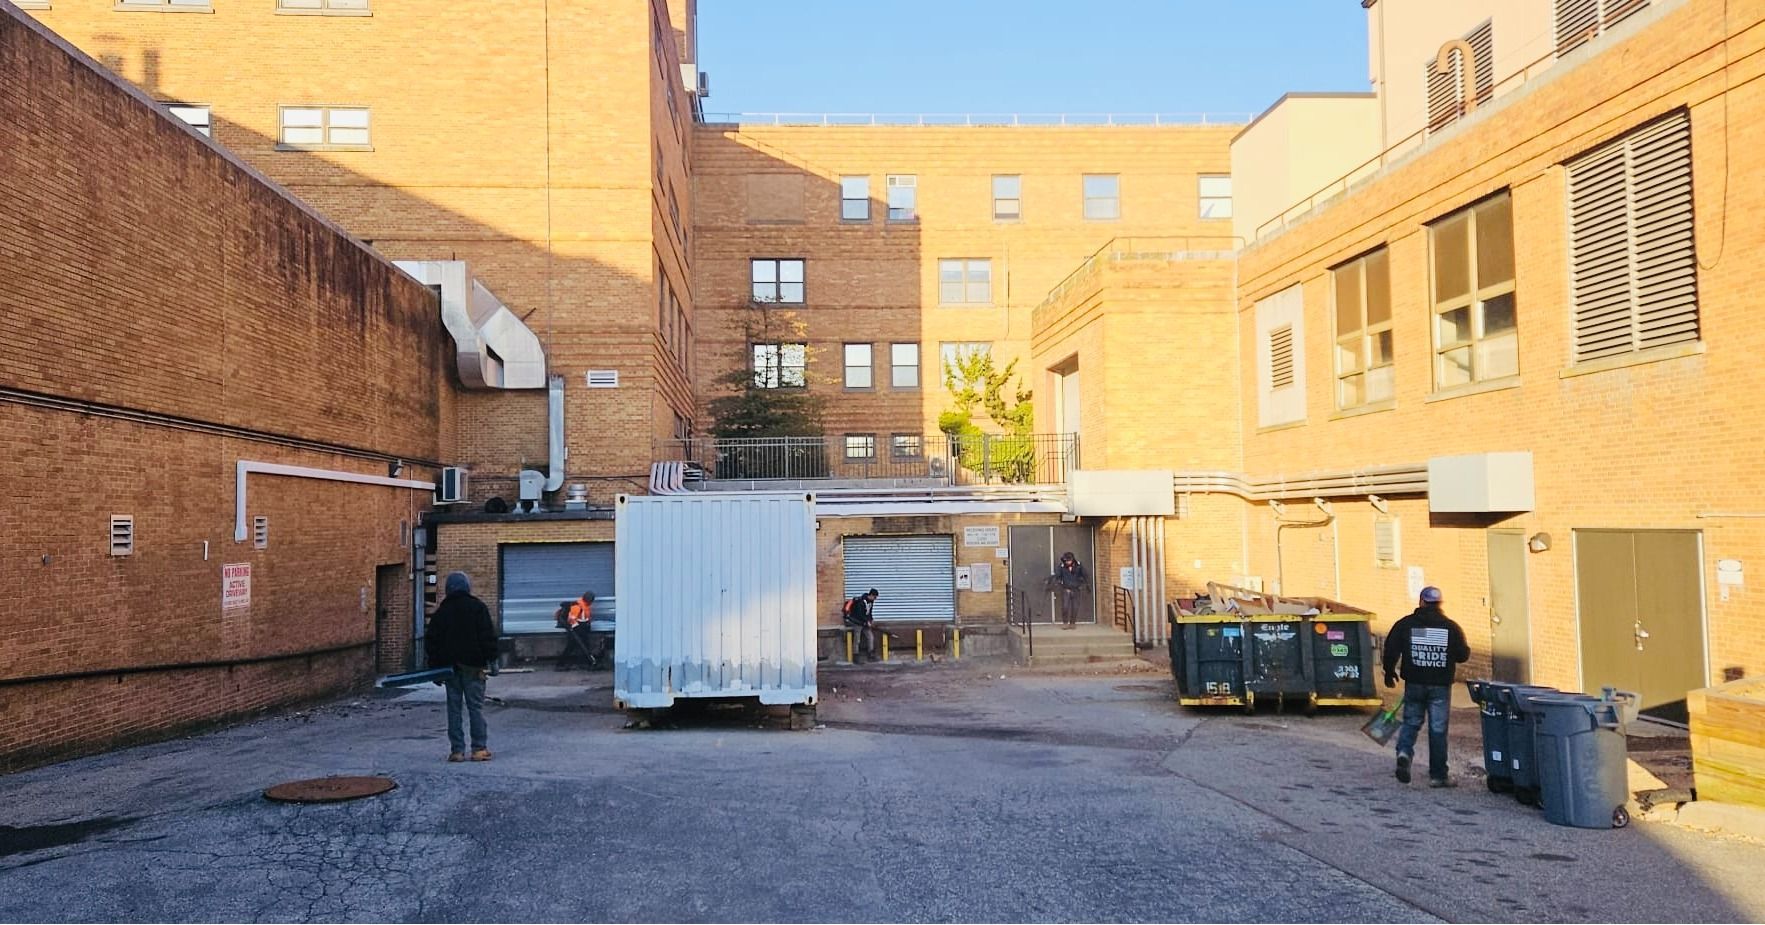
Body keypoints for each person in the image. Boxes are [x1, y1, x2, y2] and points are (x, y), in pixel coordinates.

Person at [1383, 585, 1471, 787]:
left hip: (1414, 683)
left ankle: (1404, 752)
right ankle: (1438, 776)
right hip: (1440, 685)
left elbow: (1391, 648)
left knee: (1411, 721)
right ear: (1439, 604)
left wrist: (1389, 672)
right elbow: (1463, 656)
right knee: (1438, 729)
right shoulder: (1451, 627)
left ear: (1421, 602)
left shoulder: (1406, 624)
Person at [426, 571, 499, 763]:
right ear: (467, 587)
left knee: (454, 708)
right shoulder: (477, 608)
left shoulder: (441, 613)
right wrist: (493, 660)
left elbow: (432, 642)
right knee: (476, 708)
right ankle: (479, 749)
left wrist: (435, 668)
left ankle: (457, 751)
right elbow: (487, 636)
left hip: (450, 669)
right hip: (473, 668)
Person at [1050, 552, 1090, 629]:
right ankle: (1065, 622)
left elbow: (1085, 575)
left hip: (1076, 589)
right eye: (1066, 560)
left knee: (1075, 607)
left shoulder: (1079, 566)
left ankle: (1072, 623)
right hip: (1066, 589)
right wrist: (1055, 582)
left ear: (1072, 560)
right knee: (1065, 607)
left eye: (1069, 560)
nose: (1067, 562)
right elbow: (1058, 576)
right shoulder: (1061, 566)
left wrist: (1083, 584)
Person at [843, 588, 880, 663]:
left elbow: (869, 612)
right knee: (857, 640)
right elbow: (859, 614)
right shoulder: (861, 601)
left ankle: (871, 655)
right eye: (875, 597)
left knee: (870, 637)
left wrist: (870, 620)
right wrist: (866, 621)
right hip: (857, 622)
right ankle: (855, 657)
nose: (875, 599)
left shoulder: (871, 602)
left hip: (864, 623)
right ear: (871, 595)